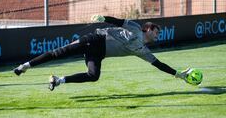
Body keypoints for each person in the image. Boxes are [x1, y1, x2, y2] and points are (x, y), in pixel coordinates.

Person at [14, 15, 192, 91]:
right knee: (58, 53)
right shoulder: (137, 29)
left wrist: (179, 74)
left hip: (99, 54)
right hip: (95, 39)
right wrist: (104, 18)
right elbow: (119, 21)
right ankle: (24, 66)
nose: (158, 35)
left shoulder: (143, 50)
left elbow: (159, 64)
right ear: (149, 29)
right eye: (156, 32)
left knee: (93, 75)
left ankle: (58, 80)